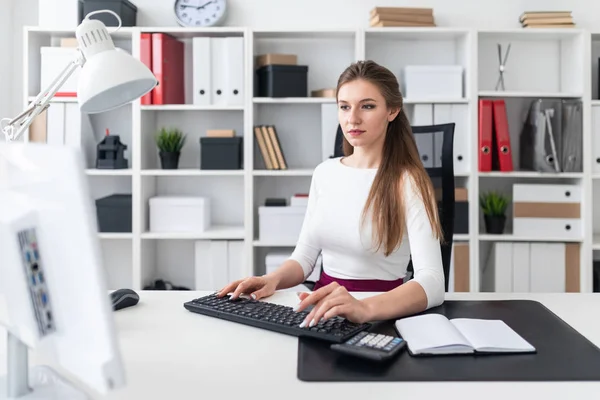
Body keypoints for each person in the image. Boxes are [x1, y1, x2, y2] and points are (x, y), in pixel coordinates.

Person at [217, 60, 445, 327]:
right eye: (344, 106)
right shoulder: (325, 173)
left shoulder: (409, 181)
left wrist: (363, 308)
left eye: (367, 106)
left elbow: (432, 282)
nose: (353, 118)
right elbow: (304, 257)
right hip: (320, 312)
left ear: (392, 110)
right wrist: (272, 280)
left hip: (378, 314)